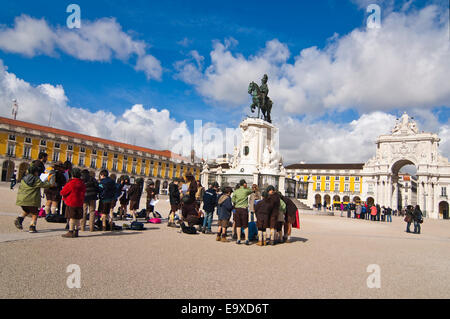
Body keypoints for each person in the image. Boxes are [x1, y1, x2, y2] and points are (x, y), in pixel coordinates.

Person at [14, 165, 54, 233]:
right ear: (35, 172)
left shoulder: (24, 178)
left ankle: (19, 219)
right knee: (35, 213)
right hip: (31, 200)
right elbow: (45, 185)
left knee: (27, 210)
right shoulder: (36, 179)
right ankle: (32, 227)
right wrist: (49, 181)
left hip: (22, 199)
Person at [60, 168, 86, 238]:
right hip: (80, 202)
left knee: (71, 217)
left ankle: (70, 231)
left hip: (71, 202)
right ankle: (76, 231)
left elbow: (63, 192)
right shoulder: (82, 183)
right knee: (77, 218)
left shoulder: (71, 183)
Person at [231, 179, 253, 245]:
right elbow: (251, 190)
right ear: (244, 184)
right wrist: (246, 187)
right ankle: (246, 239)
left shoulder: (236, 191)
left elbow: (233, 200)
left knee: (238, 225)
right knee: (245, 225)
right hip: (244, 209)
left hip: (237, 209)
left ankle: (238, 239)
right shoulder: (246, 191)